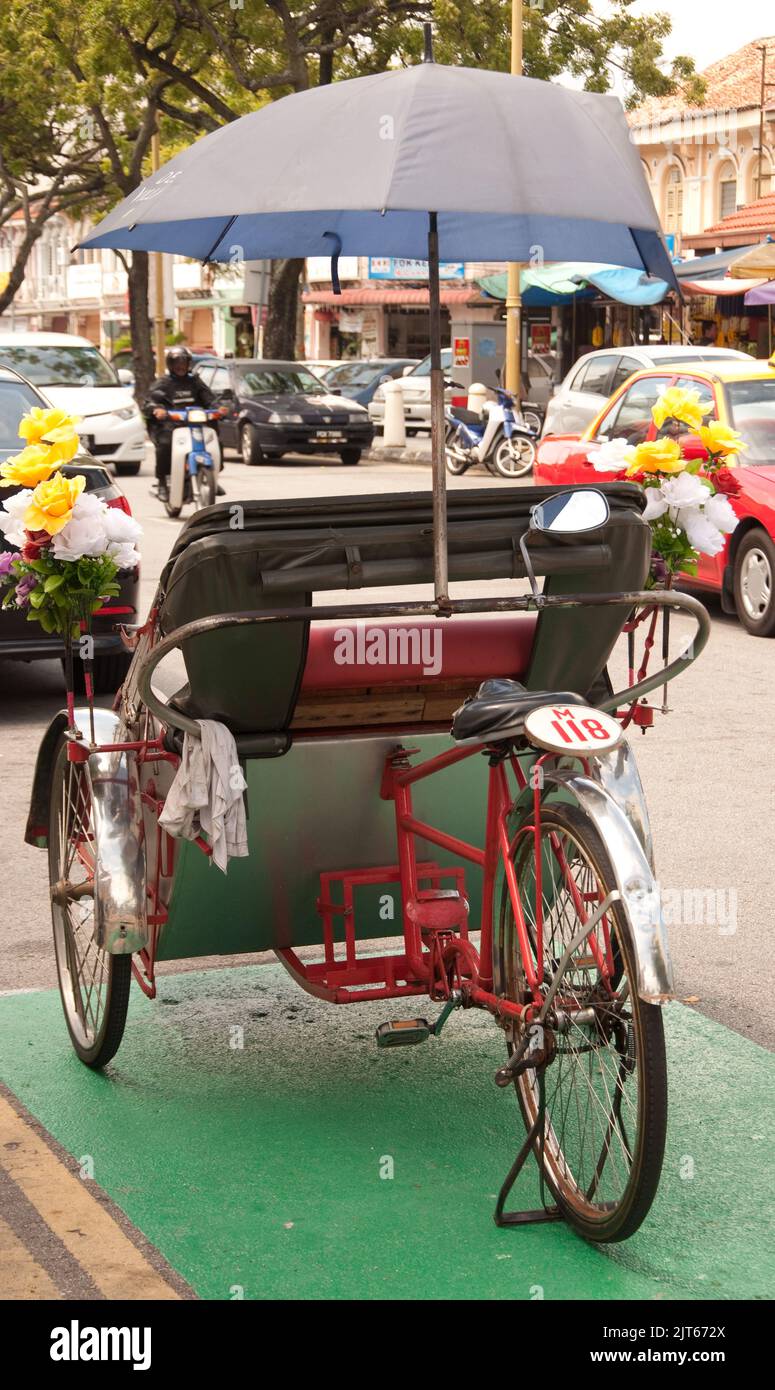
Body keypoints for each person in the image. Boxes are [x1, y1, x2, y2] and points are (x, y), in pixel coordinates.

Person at [143, 347, 218, 503]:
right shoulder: (163, 383)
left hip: (196, 425)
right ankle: (163, 481)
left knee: (215, 441)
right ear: (170, 365)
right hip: (172, 426)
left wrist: (220, 408)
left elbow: (209, 399)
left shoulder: (195, 381)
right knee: (165, 445)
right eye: (177, 363)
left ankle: (212, 477)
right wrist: (157, 409)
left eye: (184, 362)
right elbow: (149, 402)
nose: (181, 366)